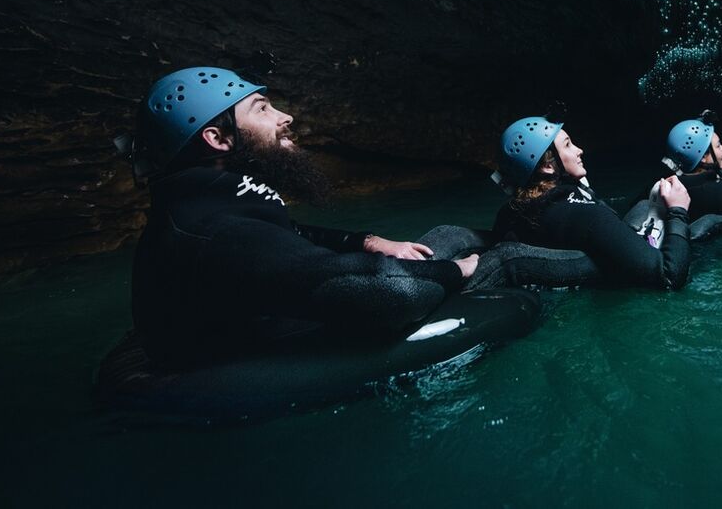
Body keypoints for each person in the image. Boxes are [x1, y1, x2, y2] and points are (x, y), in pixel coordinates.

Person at [126, 66, 480, 368]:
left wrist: (368, 242)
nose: (285, 117)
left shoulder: (210, 199)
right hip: (232, 358)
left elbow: (291, 234)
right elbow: (389, 291)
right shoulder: (215, 229)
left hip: (264, 310)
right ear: (218, 138)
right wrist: (457, 270)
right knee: (479, 256)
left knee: (451, 234)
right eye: (262, 109)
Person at [491, 115, 692, 290]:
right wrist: (678, 210)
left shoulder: (508, 213)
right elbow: (669, 276)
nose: (580, 150)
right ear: (547, 166)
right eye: (568, 144)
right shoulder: (588, 217)